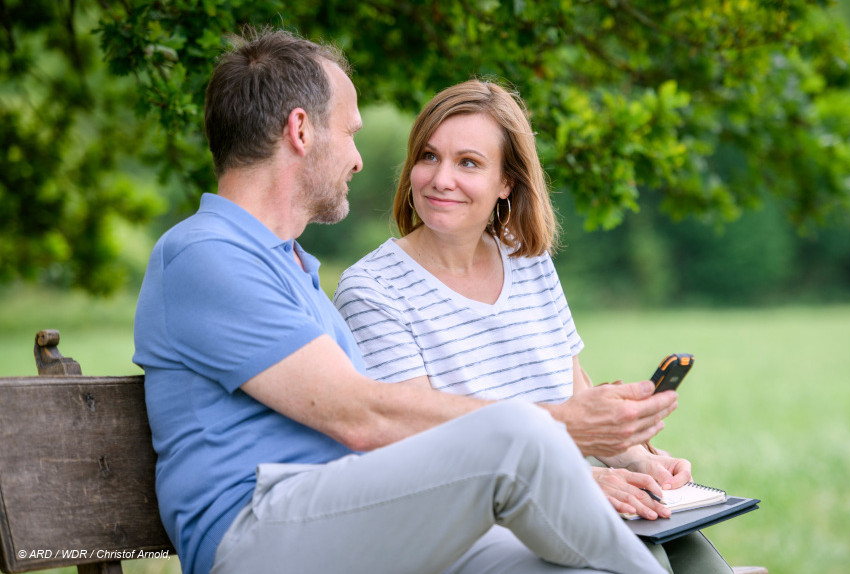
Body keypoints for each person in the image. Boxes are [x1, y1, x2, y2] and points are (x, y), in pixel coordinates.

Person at [132, 28, 680, 574]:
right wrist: (561, 424)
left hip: (353, 516)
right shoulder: (206, 254)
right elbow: (362, 414)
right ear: (301, 130)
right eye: (350, 132)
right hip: (258, 533)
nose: (358, 159)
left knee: (559, 566)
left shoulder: (289, 266)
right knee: (518, 436)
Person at [332, 80, 733, 572]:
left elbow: (573, 394)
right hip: (478, 526)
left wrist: (638, 462)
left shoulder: (528, 260)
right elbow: (414, 442)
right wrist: (577, 484)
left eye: (469, 163)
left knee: (703, 565)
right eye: (429, 156)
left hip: (571, 496)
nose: (440, 179)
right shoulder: (372, 290)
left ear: (507, 183)